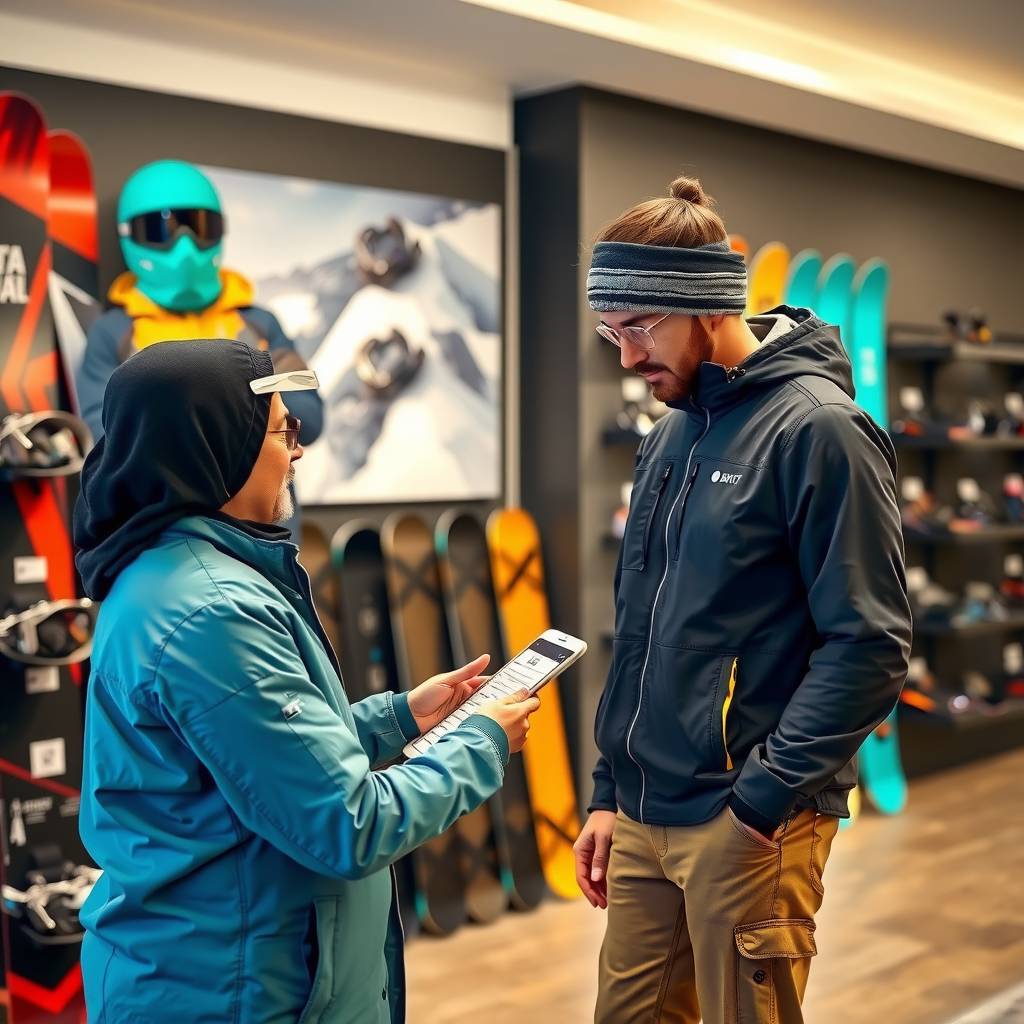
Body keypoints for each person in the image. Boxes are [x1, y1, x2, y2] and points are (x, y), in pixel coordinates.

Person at [73, 338, 538, 1023]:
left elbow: (250, 763)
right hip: (234, 991)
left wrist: (399, 719)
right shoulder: (213, 611)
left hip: (226, 969)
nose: (297, 451)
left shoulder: (169, 574)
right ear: (217, 446)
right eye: (281, 431)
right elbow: (349, 824)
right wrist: (483, 743)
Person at [573, 177, 911, 1024]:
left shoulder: (820, 429)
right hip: (644, 812)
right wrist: (611, 789)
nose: (626, 358)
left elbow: (869, 644)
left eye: (640, 327)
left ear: (708, 305)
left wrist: (763, 799)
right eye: (611, 332)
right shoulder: (668, 436)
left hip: (748, 818)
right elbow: (641, 631)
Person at [76, 159, 322, 537]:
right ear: (130, 236)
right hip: (165, 529)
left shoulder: (259, 323)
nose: (185, 246)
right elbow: (111, 442)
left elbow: (310, 421)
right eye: (162, 229)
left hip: (267, 524)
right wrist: (254, 399)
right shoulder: (114, 333)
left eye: (200, 226)